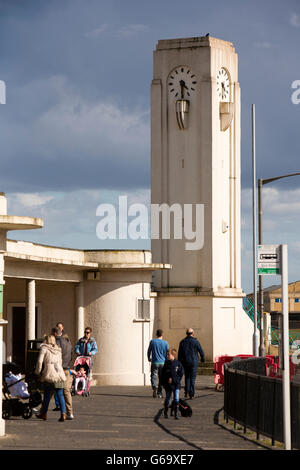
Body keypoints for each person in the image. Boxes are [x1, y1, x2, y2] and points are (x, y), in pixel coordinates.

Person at [35, 334, 67, 422]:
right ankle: (63, 413)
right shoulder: (58, 350)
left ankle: (44, 413)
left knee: (47, 395)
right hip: (59, 374)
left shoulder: (44, 348)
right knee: (60, 394)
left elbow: (39, 361)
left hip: (49, 374)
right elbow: (60, 362)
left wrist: (37, 372)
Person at [51, 328, 74, 420]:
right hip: (67, 369)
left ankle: (62, 412)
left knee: (57, 391)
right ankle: (70, 412)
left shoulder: (56, 343)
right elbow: (71, 357)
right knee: (66, 391)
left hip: (59, 370)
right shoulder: (68, 344)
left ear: (55, 334)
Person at [178, 328, 205, 400]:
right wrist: (203, 359)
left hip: (185, 362)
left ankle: (186, 392)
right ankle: (191, 394)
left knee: (187, 377)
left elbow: (180, 354)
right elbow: (201, 351)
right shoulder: (196, 341)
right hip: (194, 362)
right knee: (192, 378)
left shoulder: (182, 342)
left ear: (186, 334)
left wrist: (179, 362)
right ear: (193, 333)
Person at [161, 349, 184, 420]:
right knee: (168, 398)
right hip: (168, 385)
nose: (167, 356)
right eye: (167, 354)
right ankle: (166, 411)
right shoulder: (166, 363)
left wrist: (175, 380)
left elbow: (180, 374)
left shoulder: (178, 363)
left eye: (168, 354)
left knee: (176, 398)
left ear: (173, 355)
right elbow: (163, 374)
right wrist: (164, 382)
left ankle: (176, 414)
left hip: (176, 384)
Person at [147, 329, 169, 398]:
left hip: (154, 362)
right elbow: (167, 353)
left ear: (156, 334)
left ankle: (154, 387)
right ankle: (159, 393)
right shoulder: (165, 343)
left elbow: (148, 351)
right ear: (162, 334)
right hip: (163, 362)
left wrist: (149, 358)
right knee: (161, 378)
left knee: (153, 375)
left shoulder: (152, 341)